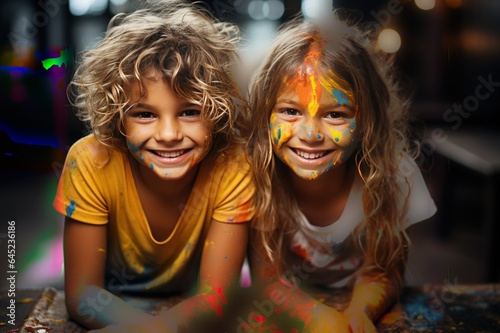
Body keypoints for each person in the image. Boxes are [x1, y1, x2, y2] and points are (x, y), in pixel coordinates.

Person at [53, 1, 254, 331]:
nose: (169, 134)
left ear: (217, 112)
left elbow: (216, 298)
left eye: (190, 111)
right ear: (118, 116)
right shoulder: (90, 161)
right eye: (144, 114)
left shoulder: (233, 164)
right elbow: (83, 295)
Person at [246, 11, 437, 333]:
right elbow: (268, 279)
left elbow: (383, 271)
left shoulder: (394, 173)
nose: (310, 134)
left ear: (368, 121)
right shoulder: (253, 173)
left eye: (335, 114)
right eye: (290, 111)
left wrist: (359, 312)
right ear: (265, 114)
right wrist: (318, 318)